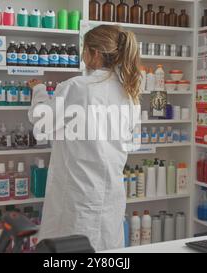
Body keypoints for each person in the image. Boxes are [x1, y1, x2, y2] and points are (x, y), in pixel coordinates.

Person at [27, 25, 141, 251]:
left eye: (84, 50)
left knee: (71, 248)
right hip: (111, 193)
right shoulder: (129, 92)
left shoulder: (77, 87)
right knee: (107, 248)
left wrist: (39, 90)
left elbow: (42, 123)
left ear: (96, 54)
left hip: (78, 194)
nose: (82, 55)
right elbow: (131, 141)